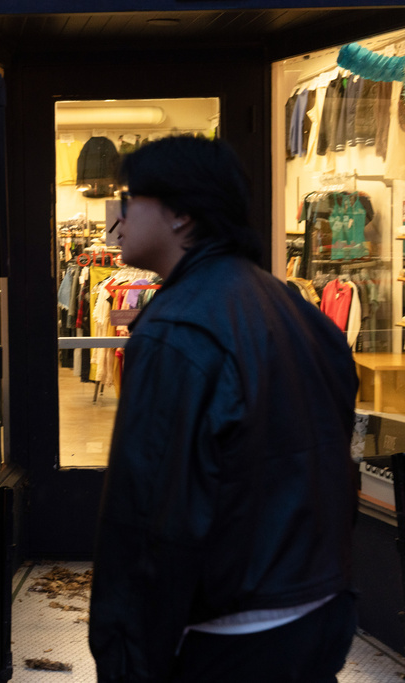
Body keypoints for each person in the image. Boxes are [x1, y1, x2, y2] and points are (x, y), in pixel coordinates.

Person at [89, 136, 359, 682]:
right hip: (316, 607)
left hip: (232, 634)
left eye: (130, 197)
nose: (117, 216)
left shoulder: (176, 331)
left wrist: (125, 659)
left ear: (182, 215)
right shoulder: (289, 306)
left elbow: (148, 519)